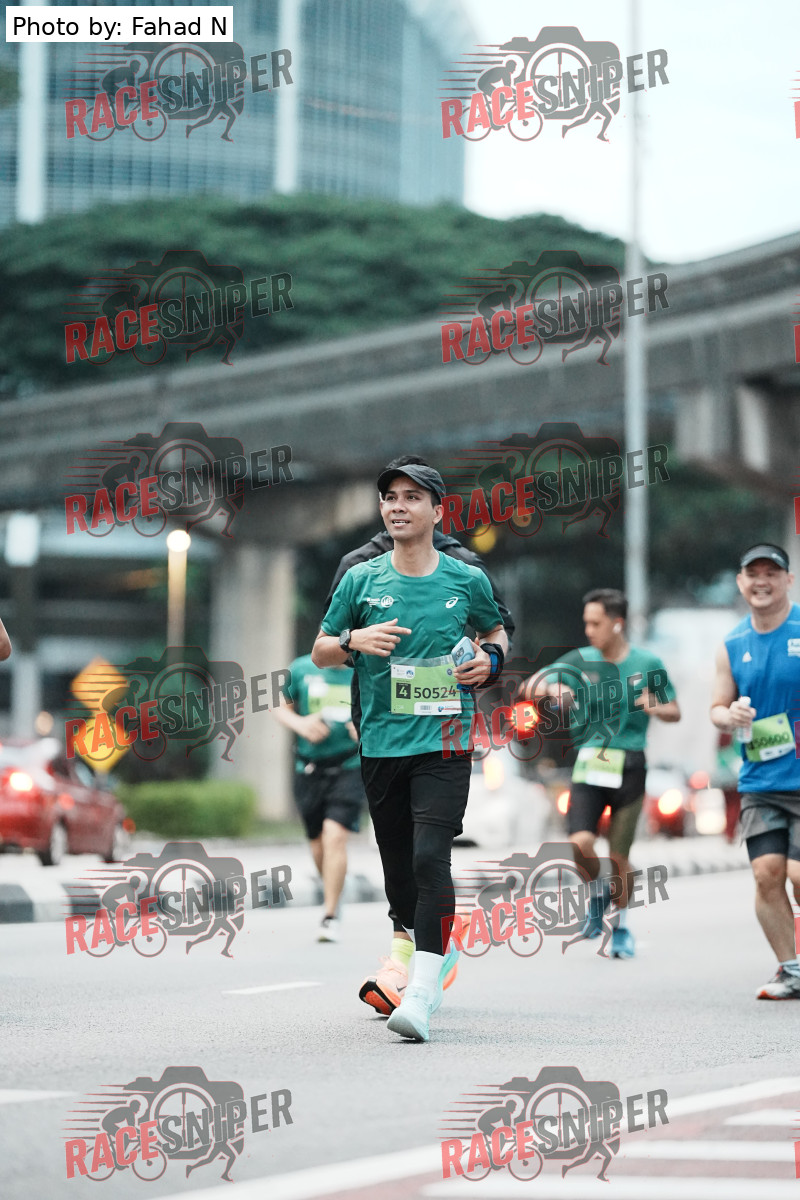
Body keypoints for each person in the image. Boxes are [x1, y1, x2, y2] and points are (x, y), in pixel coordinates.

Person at [312, 462, 507, 1041]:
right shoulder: (359, 578)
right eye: (390, 497)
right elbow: (321, 649)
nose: (398, 506)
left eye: (412, 497)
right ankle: (432, 950)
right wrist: (353, 640)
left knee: (429, 857)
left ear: (438, 511)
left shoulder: (466, 578)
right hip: (381, 743)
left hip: (445, 741)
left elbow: (496, 631)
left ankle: (420, 994)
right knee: (398, 872)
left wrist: (490, 661)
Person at [527, 588, 680, 958]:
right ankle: (597, 893)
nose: (589, 630)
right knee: (579, 843)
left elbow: (675, 710)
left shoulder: (646, 663)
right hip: (589, 765)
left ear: (617, 623)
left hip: (630, 765)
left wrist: (657, 706)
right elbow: (529, 685)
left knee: (619, 857)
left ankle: (621, 927)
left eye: (596, 623)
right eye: (586, 623)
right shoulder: (579, 660)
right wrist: (551, 687)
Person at [711, 544, 800, 1000]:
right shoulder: (732, 644)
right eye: (753, 573)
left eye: (772, 572)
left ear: (788, 580)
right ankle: (792, 970)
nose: (761, 581)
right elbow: (716, 708)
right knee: (767, 873)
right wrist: (729, 717)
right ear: (740, 582)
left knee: (799, 876)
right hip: (761, 781)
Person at [271, 655, 364, 942]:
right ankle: (334, 889)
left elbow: (387, 708)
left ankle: (330, 915)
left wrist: (365, 725)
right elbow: (279, 704)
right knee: (317, 843)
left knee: (334, 835)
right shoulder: (301, 669)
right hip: (309, 767)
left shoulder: (364, 669)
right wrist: (300, 724)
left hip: (350, 766)